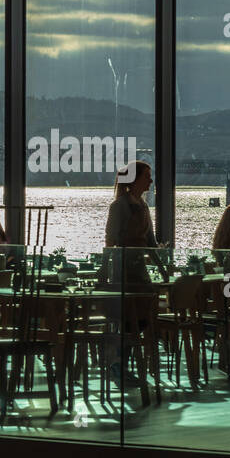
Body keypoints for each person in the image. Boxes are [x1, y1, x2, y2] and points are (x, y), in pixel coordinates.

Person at [101, 160, 168, 387]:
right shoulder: (119, 206)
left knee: (140, 320)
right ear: (135, 179)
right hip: (124, 271)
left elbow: (150, 242)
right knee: (131, 320)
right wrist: (104, 270)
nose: (150, 180)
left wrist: (161, 268)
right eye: (147, 176)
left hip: (139, 271)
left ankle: (121, 363)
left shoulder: (142, 205)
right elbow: (110, 240)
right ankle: (120, 365)